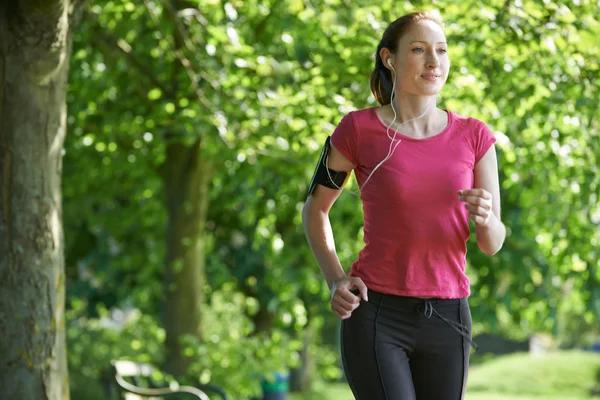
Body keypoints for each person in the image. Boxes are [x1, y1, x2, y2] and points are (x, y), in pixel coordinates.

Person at [301, 10, 506, 400]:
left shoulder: (475, 137)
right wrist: (335, 279)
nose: (434, 61)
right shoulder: (358, 130)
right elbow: (314, 208)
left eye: (441, 51)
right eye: (419, 49)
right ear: (389, 58)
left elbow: (492, 242)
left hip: (449, 315)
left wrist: (487, 218)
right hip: (376, 315)